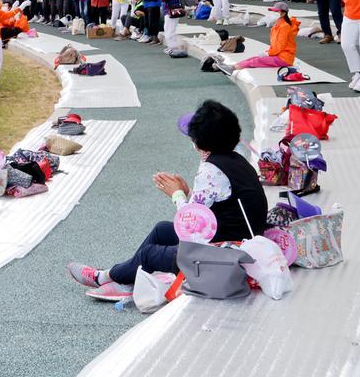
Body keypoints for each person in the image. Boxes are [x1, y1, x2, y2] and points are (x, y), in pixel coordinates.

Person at [67, 101, 268, 301]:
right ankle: (127, 278)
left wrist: (177, 194)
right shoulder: (237, 160)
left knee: (149, 254)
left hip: (225, 254)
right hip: (240, 241)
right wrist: (189, 193)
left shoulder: (211, 170)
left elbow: (191, 227)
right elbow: (219, 207)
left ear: (200, 142)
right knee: (161, 229)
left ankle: (103, 277)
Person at [216, 2, 300, 73]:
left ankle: (232, 68)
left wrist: (268, 53)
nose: (273, 13)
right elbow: (277, 45)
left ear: (283, 13)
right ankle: (232, 66)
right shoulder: (279, 24)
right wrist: (268, 52)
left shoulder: (284, 26)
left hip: (284, 58)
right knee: (255, 58)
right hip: (280, 55)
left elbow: (280, 45)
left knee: (257, 60)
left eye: (276, 11)